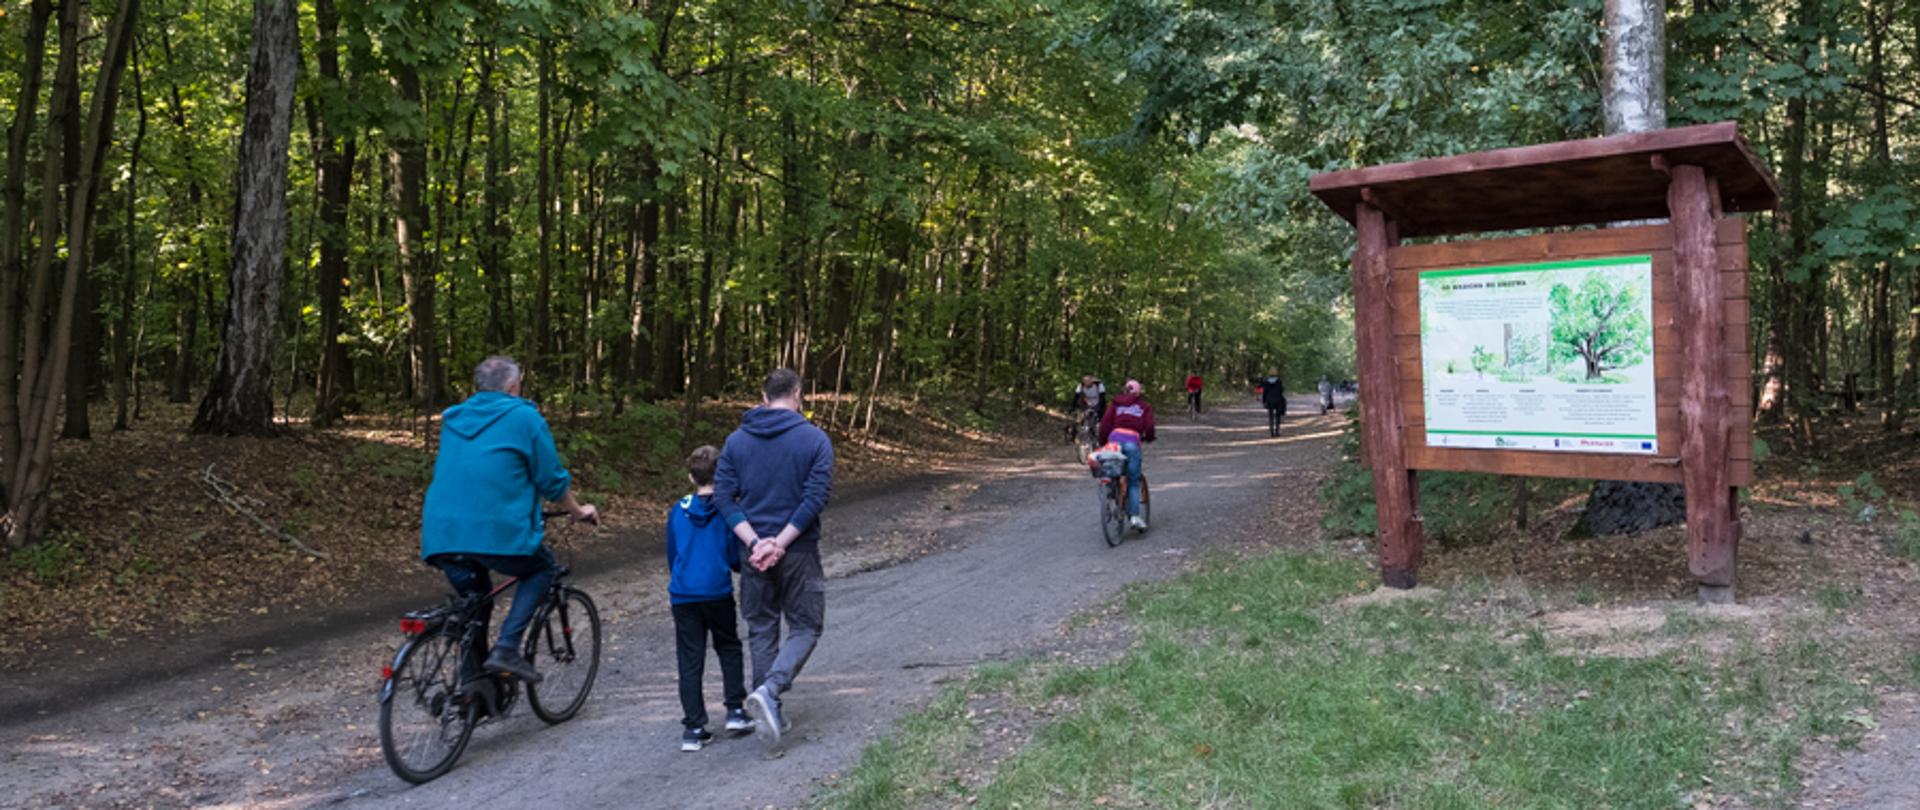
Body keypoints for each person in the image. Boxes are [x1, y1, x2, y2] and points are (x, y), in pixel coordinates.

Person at [420, 355, 598, 684]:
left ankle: (471, 689)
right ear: (514, 386)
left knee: (474, 605)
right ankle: (506, 648)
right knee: (542, 569)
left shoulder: (454, 418)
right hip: (494, 531)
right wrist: (578, 511)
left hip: (442, 534)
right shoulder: (524, 417)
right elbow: (551, 480)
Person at [713, 368, 835, 748]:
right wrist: (779, 543)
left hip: (752, 553)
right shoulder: (815, 439)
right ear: (798, 394)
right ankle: (770, 691)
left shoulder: (736, 441)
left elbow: (723, 497)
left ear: (764, 397)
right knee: (807, 626)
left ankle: (769, 708)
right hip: (798, 551)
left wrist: (755, 543)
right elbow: (814, 498)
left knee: (762, 628)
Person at [666, 445, 754, 752]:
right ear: (723, 475)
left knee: (690, 657)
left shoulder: (678, 509)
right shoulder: (727, 510)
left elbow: (673, 552)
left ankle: (693, 727)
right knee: (728, 646)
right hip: (716, 590)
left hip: (683, 593)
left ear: (691, 477)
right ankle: (735, 710)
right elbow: (733, 554)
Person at [1098, 379, 1157, 530]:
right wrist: (1149, 437)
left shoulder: (1116, 403)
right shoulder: (1144, 406)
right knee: (1133, 480)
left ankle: (1111, 492)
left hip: (1114, 441)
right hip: (1132, 442)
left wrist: (1103, 441)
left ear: (1124, 390)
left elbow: (1105, 424)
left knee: (1111, 470)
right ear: (1138, 392)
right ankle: (1135, 517)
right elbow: (1149, 426)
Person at [1260, 371, 1287, 437]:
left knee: (1271, 416)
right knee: (1278, 416)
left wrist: (1264, 401)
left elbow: (1264, 393)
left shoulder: (1266, 382)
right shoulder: (1279, 381)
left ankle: (1272, 431)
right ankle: (1277, 431)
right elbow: (1281, 390)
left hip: (1269, 400)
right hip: (1278, 400)